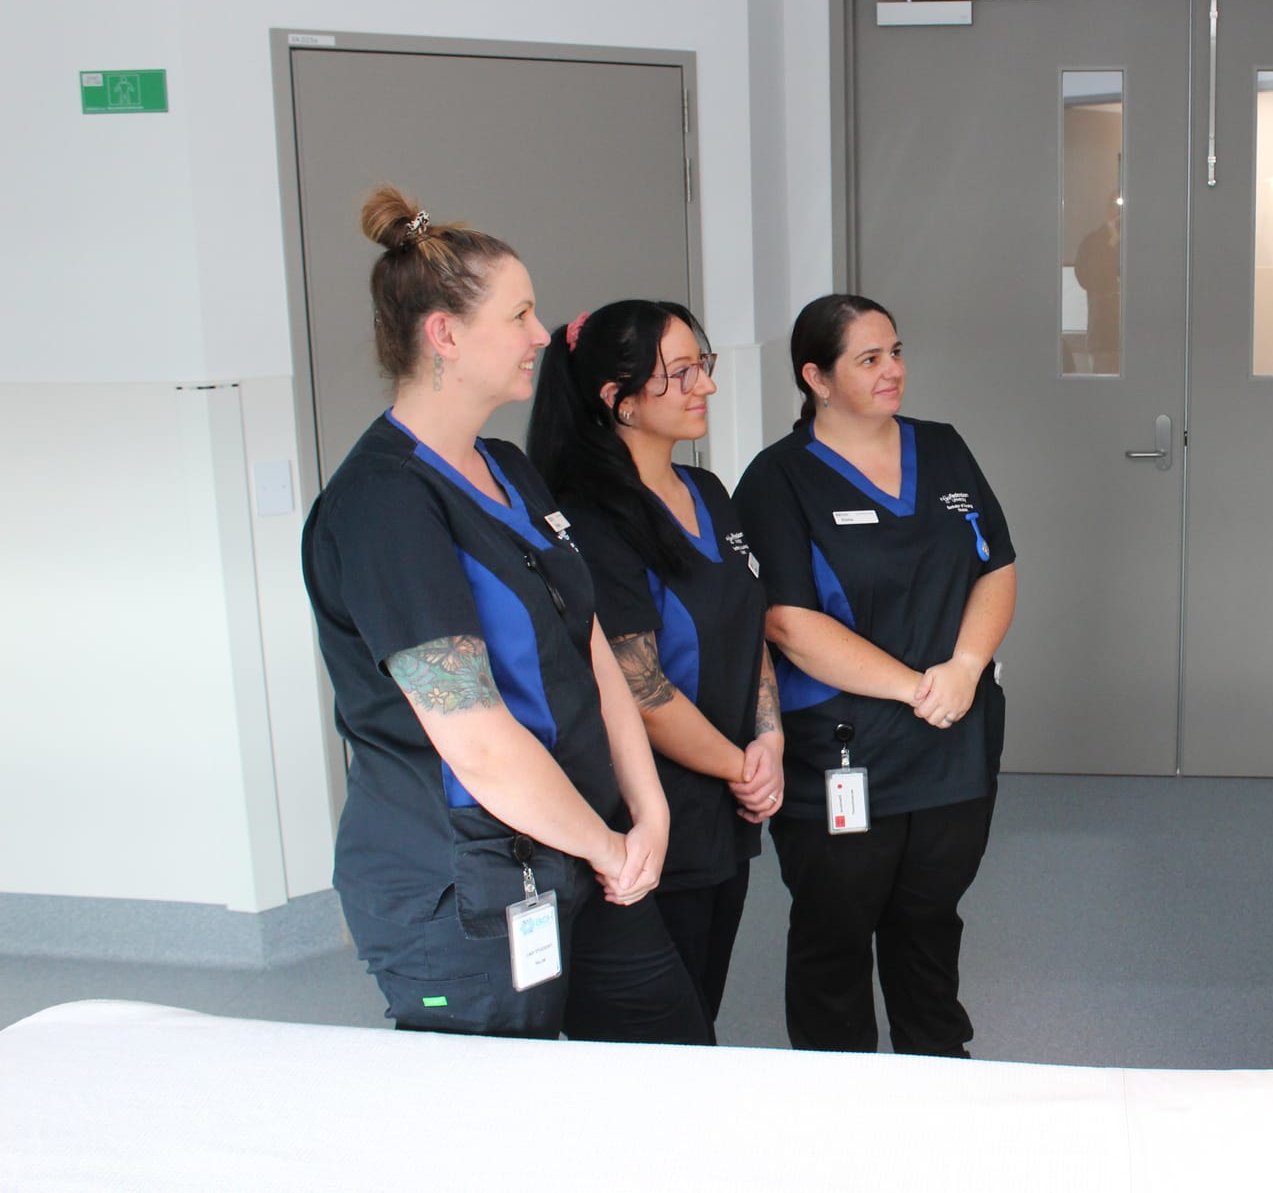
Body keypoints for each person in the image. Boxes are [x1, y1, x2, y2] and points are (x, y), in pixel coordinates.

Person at [301, 186, 705, 1042]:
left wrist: (647, 811)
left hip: (589, 846)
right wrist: (603, 845)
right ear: (444, 335)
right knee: (496, 1129)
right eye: (519, 314)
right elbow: (475, 739)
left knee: (671, 1065)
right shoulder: (382, 508)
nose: (538, 334)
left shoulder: (509, 468)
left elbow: (589, 642)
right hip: (469, 884)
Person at [733, 294, 1017, 1057]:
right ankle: (840, 1100)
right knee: (835, 930)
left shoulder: (944, 447)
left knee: (929, 920)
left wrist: (963, 668)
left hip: (952, 739)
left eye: (895, 351)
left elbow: (997, 567)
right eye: (868, 358)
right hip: (843, 751)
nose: (893, 369)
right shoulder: (777, 479)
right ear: (816, 378)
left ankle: (938, 1068)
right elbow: (788, 620)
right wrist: (914, 686)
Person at [527, 299, 782, 1033]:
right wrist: (742, 764)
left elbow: (749, 619)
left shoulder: (708, 493)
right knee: (663, 1037)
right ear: (620, 401)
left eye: (703, 365)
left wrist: (770, 740)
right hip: (651, 811)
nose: (704, 384)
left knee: (702, 1006)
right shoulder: (593, 521)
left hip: (728, 804)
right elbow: (639, 689)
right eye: (680, 373)